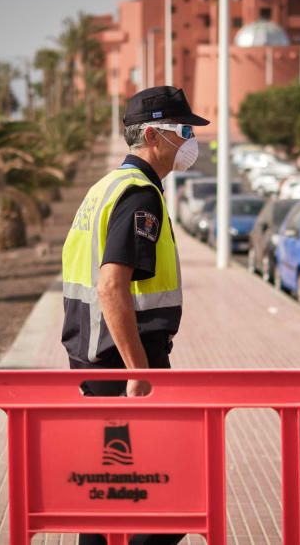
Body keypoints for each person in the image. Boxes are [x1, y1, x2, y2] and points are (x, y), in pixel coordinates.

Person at [61, 85, 208, 545]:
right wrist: (138, 371)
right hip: (125, 365)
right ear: (152, 135)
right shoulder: (139, 195)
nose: (190, 141)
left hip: (94, 361)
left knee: (107, 497)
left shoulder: (105, 187)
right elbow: (110, 285)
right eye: (182, 131)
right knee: (177, 496)